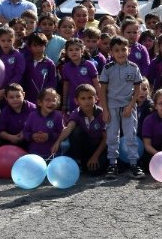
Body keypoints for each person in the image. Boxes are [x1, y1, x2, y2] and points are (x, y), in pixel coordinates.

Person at [99, 36, 145, 179]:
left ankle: (133, 164)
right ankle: (113, 164)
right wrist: (105, 110)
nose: (120, 53)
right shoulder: (107, 68)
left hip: (128, 107)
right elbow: (102, 91)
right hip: (111, 106)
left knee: (131, 136)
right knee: (112, 136)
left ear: (129, 50)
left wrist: (131, 106)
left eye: (123, 49)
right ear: (111, 52)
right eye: (117, 50)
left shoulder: (134, 68)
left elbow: (137, 89)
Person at [51, 83, 108, 175]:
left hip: (100, 147)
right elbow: (69, 127)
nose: (87, 101)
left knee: (94, 172)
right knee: (76, 131)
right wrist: (58, 142)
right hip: (85, 146)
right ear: (76, 101)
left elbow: (106, 138)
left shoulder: (101, 113)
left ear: (96, 98)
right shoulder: (76, 113)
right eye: (83, 98)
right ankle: (78, 160)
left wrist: (95, 157)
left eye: (90, 98)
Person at [23, 88, 64, 158]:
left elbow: (62, 134)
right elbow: (25, 132)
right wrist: (32, 136)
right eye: (48, 100)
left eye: (54, 100)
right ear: (39, 102)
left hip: (52, 154)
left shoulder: (58, 116)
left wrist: (49, 136)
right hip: (34, 154)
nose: (51, 103)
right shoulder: (32, 115)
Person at [0, 83, 35, 149]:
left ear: (23, 95)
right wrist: (10, 137)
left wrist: (24, 132)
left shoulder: (32, 108)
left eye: (18, 96)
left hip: (30, 141)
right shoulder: (5, 112)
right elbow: (0, 131)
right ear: (6, 98)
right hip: (11, 142)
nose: (15, 99)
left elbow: (38, 123)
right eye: (11, 97)